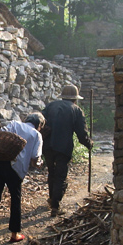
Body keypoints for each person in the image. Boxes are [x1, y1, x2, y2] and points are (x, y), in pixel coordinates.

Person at [0, 112, 45, 245]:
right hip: (15, 169)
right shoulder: (36, 134)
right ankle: (15, 234)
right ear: (39, 125)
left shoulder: (14, 124)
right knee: (15, 199)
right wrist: (39, 164)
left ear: (26, 119)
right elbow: (35, 159)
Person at [42, 85, 93, 217]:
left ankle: (52, 199)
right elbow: (81, 133)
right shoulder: (76, 110)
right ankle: (55, 206)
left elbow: (41, 123)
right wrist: (89, 143)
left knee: (51, 172)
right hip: (63, 147)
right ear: (75, 99)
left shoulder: (50, 106)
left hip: (47, 145)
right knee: (60, 175)